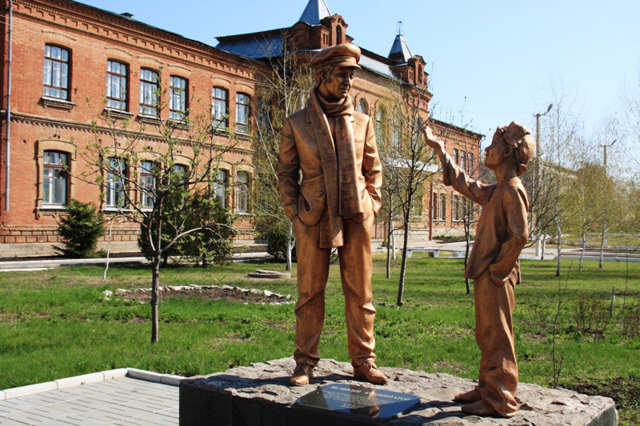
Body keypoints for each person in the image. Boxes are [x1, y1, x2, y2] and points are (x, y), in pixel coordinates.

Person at [277, 43, 387, 386]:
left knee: (361, 292)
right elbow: (285, 174)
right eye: (342, 74)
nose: (349, 82)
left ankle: (364, 361)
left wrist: (372, 204)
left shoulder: (363, 122)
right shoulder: (296, 123)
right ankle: (305, 363)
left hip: (356, 215)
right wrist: (294, 212)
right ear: (323, 75)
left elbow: (374, 170)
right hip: (313, 215)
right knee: (309, 292)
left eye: (352, 75)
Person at [423, 123, 533, 417]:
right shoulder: (496, 190)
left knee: (498, 336)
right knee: (486, 333)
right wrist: (440, 149)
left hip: (496, 276)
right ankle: (487, 387)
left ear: (507, 151)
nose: (486, 148)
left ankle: (501, 398)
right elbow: (464, 183)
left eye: (494, 143)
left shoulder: (512, 190)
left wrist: (499, 269)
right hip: (489, 274)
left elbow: (521, 234)